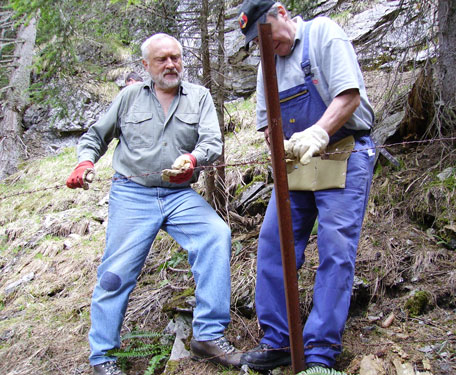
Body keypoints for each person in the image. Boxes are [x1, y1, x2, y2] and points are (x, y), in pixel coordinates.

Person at [66, 33, 242, 375]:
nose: (171, 64)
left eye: (175, 57)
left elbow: (211, 141)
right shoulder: (129, 97)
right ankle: (102, 356)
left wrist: (193, 159)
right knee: (116, 275)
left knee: (216, 235)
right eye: (162, 59)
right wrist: (84, 162)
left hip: (179, 195)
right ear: (146, 65)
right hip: (132, 193)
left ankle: (208, 335)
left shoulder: (200, 97)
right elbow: (95, 135)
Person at [238, 0, 376, 371]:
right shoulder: (268, 63)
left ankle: (319, 353)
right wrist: (279, 143)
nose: (266, 46)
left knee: (335, 247)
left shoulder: (323, 34)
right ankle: (279, 341)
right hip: (297, 161)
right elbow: (269, 123)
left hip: (344, 150)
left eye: (267, 34)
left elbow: (348, 96)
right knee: (273, 242)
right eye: (257, 42)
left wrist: (319, 131)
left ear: (281, 13)